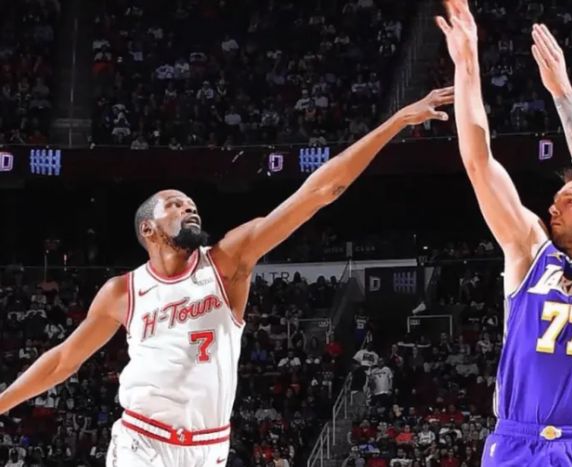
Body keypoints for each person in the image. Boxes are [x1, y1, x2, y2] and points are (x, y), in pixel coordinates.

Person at [0, 89, 453, 467]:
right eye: (175, 204)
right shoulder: (123, 291)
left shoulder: (227, 262)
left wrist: (395, 122)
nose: (188, 207)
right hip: (142, 441)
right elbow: (63, 362)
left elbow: (319, 191)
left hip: (210, 448)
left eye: (191, 203)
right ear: (148, 229)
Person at [436, 1, 572, 466]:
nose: (554, 208)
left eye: (569, 200)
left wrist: (561, 91)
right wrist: (467, 63)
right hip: (514, 440)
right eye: (554, 202)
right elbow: (478, 163)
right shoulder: (529, 251)